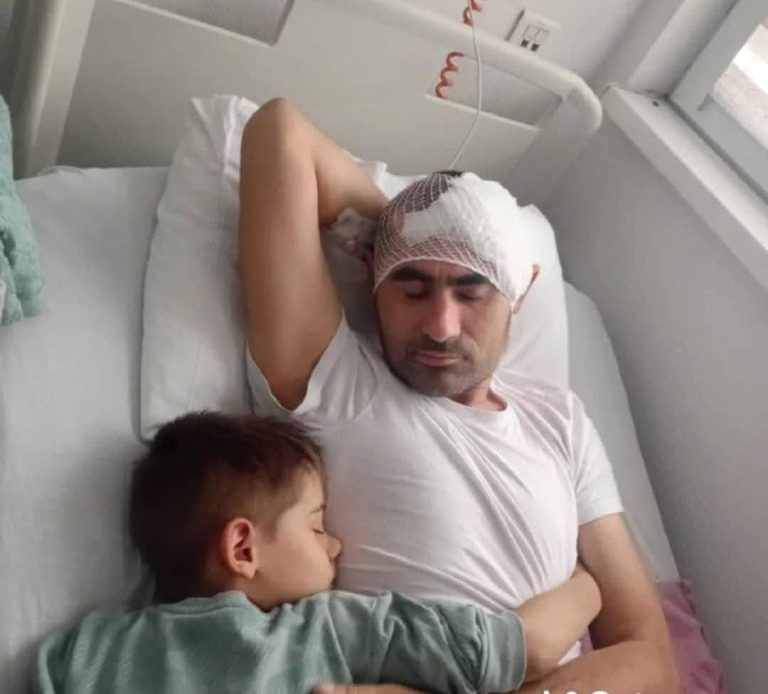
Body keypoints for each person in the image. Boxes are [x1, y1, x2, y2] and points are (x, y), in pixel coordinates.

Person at [238, 97, 679, 694]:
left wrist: (464, 235)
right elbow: (279, 132)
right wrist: (408, 231)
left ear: (520, 293)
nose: (441, 327)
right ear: (373, 282)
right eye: (412, 288)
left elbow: (650, 660)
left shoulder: (561, 421)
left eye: (473, 292)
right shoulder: (334, 383)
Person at [34, 412, 603, 693]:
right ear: (242, 547)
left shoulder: (87, 650)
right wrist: (588, 582)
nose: (336, 544)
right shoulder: (328, 630)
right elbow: (515, 650)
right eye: (316, 526)